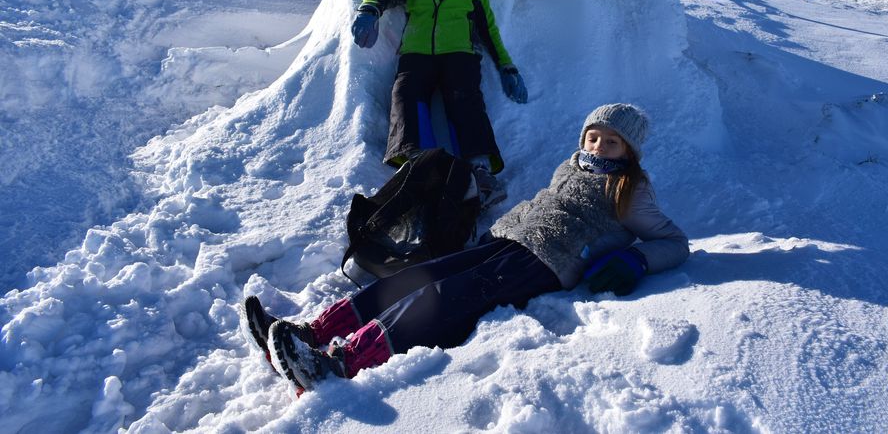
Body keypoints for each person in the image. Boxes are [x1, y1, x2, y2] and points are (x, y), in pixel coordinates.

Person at [242, 103, 690, 393]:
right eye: (594, 136)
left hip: (548, 261)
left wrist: (635, 257)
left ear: (629, 151)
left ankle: (341, 363)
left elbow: (673, 242)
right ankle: (313, 333)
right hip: (508, 241)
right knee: (413, 278)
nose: (599, 146)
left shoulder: (630, 189)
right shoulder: (571, 165)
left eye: (611, 141)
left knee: (440, 298)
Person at [350, 0, 527, 206]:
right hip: (416, 54)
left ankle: (479, 170)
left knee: (465, 98)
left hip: (460, 55)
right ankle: (417, 161)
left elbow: (489, 30)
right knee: (405, 93)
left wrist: (506, 67)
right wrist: (370, 10)